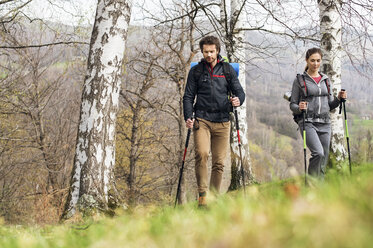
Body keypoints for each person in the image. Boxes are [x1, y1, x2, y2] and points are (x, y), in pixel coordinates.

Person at [183, 35, 245, 206]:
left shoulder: (227, 70)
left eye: (212, 51)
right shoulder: (196, 71)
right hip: (201, 119)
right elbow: (188, 96)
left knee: (219, 162)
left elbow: (239, 92)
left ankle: (214, 197)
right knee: (202, 154)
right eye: (206, 52)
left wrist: (238, 100)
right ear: (202, 52)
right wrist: (188, 116)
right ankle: (203, 195)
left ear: (217, 51)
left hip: (223, 121)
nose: (209, 55)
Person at [290, 47, 347, 178]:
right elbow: (292, 104)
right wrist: (299, 107)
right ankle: (311, 184)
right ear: (307, 60)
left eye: (318, 61)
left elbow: (331, 105)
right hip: (307, 122)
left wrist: (339, 98)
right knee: (318, 153)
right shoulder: (300, 80)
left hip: (325, 123)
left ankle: (319, 187)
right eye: (312, 61)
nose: (315, 64)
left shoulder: (326, 80)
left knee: (324, 157)